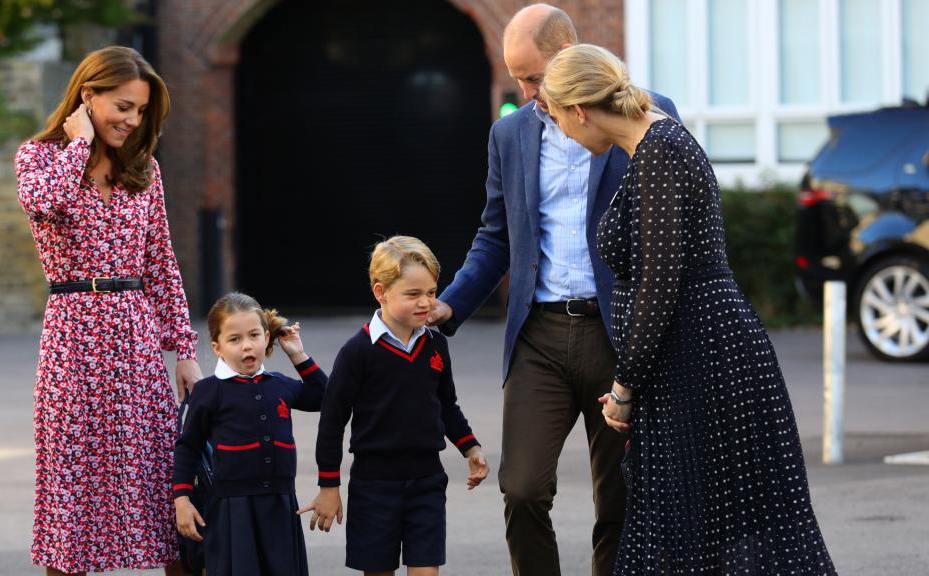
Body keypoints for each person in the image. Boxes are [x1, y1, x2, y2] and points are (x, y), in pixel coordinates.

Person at [541, 43, 838, 574]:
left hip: (700, 359)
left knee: (699, 533)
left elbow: (659, 285)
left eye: (557, 117)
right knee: (699, 534)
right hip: (690, 358)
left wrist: (625, 388)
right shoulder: (653, 144)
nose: (561, 132)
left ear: (579, 110)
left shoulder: (658, 150)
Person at [425, 5, 679, 575]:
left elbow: (667, 232)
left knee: (621, 497)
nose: (526, 92)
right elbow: (496, 236)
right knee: (522, 488)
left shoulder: (645, 113)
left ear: (567, 54)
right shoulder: (509, 132)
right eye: (517, 78)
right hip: (538, 335)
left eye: (534, 77)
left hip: (618, 332)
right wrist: (450, 303)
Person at [15, 46, 202, 575]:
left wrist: (184, 350)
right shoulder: (39, 157)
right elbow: (42, 203)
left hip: (135, 339)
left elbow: (161, 263)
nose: (133, 120)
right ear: (87, 96)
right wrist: (78, 144)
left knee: (163, 485)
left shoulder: (144, 170)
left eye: (140, 111)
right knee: (70, 489)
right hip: (72, 339)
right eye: (123, 106)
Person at [301, 236, 489, 576]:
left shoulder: (436, 346)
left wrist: (470, 446)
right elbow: (332, 421)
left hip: (427, 481)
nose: (425, 302)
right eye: (413, 294)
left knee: (426, 571)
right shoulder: (357, 352)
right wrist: (329, 486)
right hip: (373, 485)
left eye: (431, 292)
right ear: (381, 292)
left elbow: (446, 405)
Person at [173, 293, 327, 576]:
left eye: (254, 335)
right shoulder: (209, 391)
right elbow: (188, 447)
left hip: (280, 506)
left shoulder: (279, 385)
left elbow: (324, 397)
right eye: (234, 339)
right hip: (233, 511)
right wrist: (181, 500)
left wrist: (297, 354)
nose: (247, 345)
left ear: (266, 338)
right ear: (217, 347)